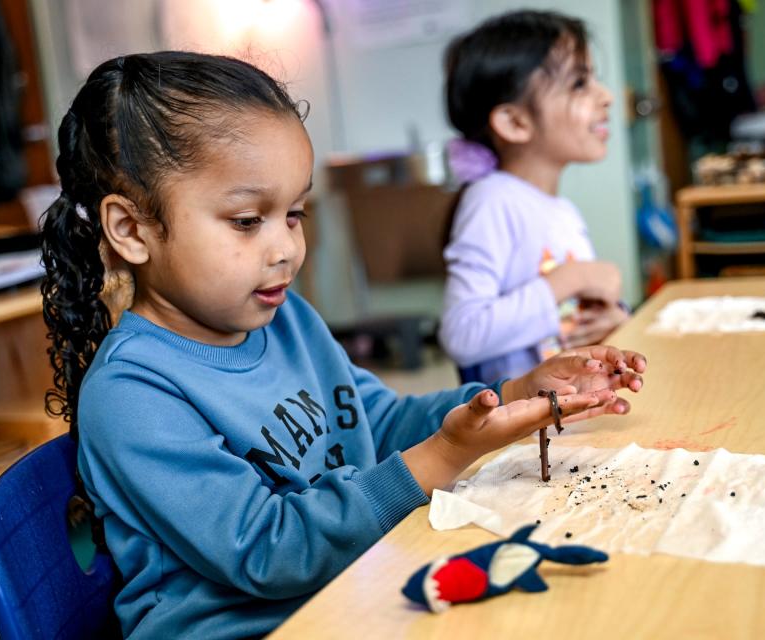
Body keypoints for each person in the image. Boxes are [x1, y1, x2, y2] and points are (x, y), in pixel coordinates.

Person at [40, 51, 646, 639]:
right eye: (248, 221)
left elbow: (377, 421)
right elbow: (269, 552)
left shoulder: (285, 319)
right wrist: (436, 460)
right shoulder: (133, 393)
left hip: (351, 590)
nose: (285, 249)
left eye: (295, 214)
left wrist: (509, 394)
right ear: (132, 230)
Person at [439, 10, 630, 384]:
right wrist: (571, 278)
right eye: (579, 83)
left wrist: (614, 318)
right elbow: (462, 334)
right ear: (515, 122)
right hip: (523, 436)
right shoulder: (491, 200)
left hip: (570, 419)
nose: (605, 96)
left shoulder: (564, 211)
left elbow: (568, 315)